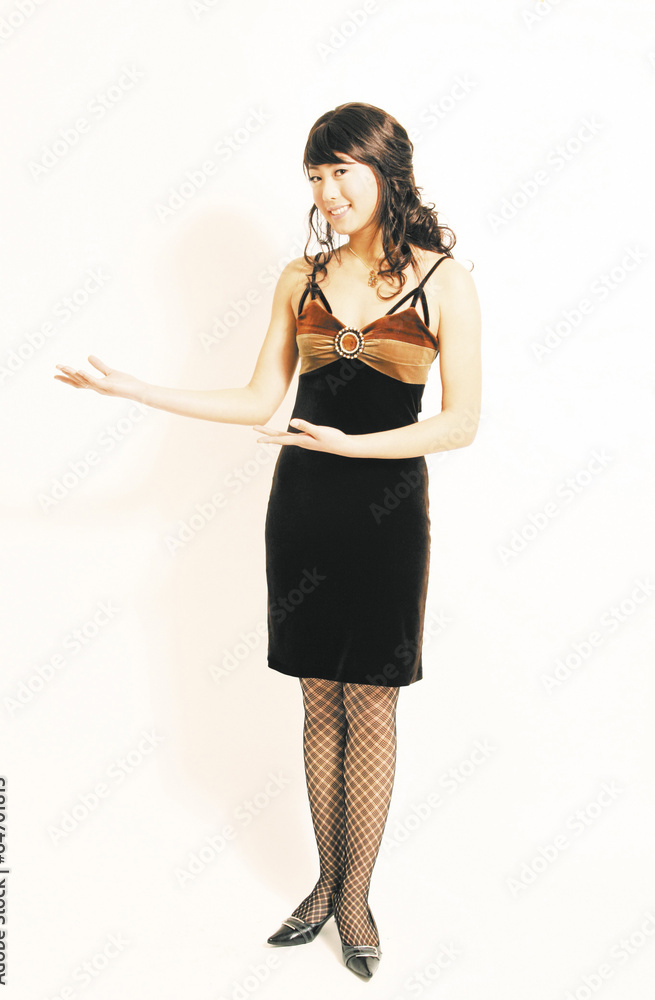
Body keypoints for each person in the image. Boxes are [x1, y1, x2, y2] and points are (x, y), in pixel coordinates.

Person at [54, 101, 481, 981]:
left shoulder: (444, 281)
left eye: (341, 172)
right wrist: (138, 391)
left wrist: (351, 446)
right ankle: (323, 885)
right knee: (318, 695)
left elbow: (460, 423)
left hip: (388, 513)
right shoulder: (301, 277)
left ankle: (353, 898)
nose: (328, 193)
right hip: (303, 511)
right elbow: (258, 399)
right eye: (315, 177)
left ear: (386, 171)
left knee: (372, 702)